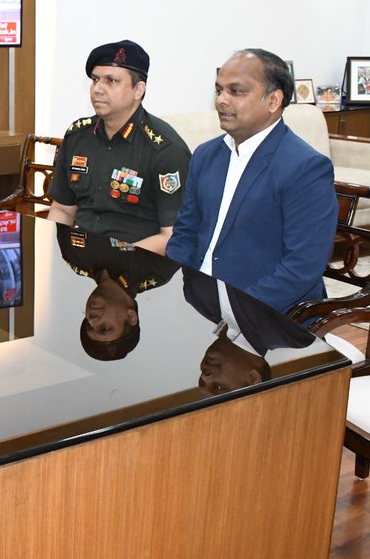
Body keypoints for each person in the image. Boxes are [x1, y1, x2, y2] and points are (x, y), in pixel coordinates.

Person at [166, 49, 338, 314]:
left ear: (273, 100)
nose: (222, 100)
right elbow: (185, 233)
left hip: (265, 312)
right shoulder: (205, 155)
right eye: (219, 90)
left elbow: (301, 267)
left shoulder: (306, 168)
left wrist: (234, 312)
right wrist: (178, 293)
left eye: (236, 92)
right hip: (198, 303)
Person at [46, 40, 190, 256]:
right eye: (95, 80)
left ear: (138, 90)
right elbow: (62, 210)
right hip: (82, 260)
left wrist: (117, 260)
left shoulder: (165, 149)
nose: (98, 89)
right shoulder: (77, 136)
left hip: (137, 265)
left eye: (111, 81)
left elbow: (172, 235)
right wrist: (53, 257)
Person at [56, 223, 178, 361]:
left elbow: (63, 208)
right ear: (131, 316)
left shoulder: (75, 259)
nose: (92, 320)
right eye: (104, 328)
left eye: (88, 326)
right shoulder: (158, 267)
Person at [181, 269, 313, 395]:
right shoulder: (294, 333)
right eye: (219, 387)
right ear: (253, 378)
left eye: (201, 382)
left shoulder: (196, 297)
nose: (205, 376)